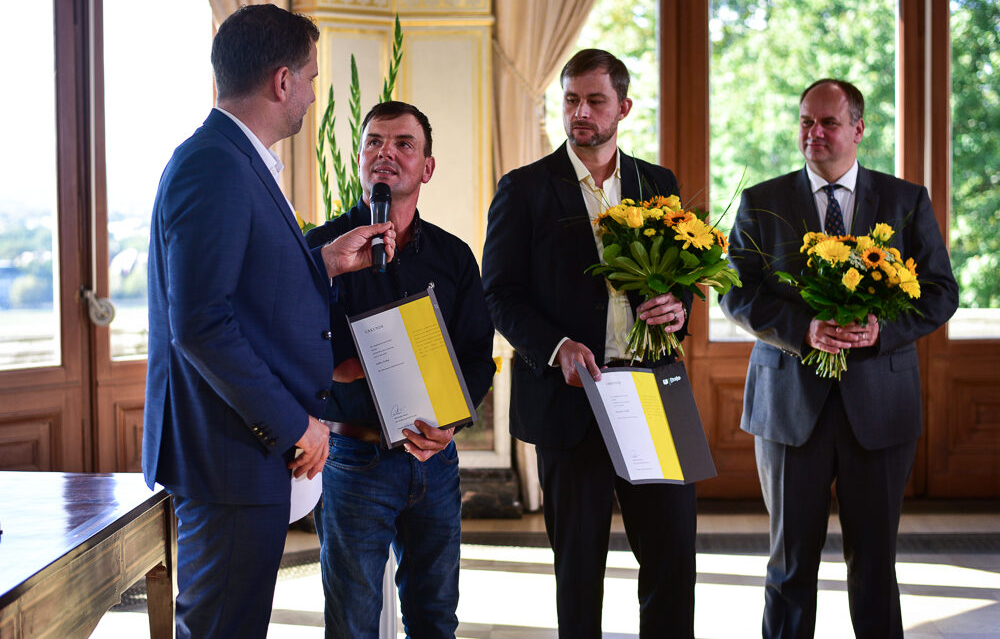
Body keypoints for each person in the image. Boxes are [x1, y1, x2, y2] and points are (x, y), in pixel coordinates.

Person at [143, 4, 395, 638]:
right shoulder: (216, 166)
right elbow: (200, 322)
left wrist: (321, 263)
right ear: (282, 81)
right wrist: (295, 426)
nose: (313, 94)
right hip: (231, 453)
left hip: (237, 452)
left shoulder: (235, 158)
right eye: (310, 77)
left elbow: (242, 287)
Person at [721, 79, 959, 639]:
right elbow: (735, 290)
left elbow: (941, 291)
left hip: (880, 408)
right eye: (806, 121)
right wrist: (803, 329)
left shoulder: (906, 200)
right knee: (789, 566)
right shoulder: (764, 200)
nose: (815, 133)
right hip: (787, 407)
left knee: (875, 566)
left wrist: (881, 330)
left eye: (828, 123)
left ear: (857, 128)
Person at [481, 49, 697, 639]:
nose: (581, 112)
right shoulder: (523, 189)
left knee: (674, 555)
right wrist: (556, 347)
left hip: (653, 392)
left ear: (623, 107)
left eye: (595, 101)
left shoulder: (660, 184)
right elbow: (499, 293)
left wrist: (678, 310)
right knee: (578, 567)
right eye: (571, 100)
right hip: (569, 399)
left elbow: (683, 283)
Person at [305, 101, 495, 639]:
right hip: (354, 459)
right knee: (352, 624)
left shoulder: (454, 256)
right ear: (359, 158)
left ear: (427, 167)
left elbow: (478, 351)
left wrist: (452, 426)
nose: (386, 153)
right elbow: (282, 339)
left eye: (404, 144)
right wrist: (338, 367)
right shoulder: (320, 249)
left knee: (436, 619)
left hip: (434, 461)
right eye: (374, 143)